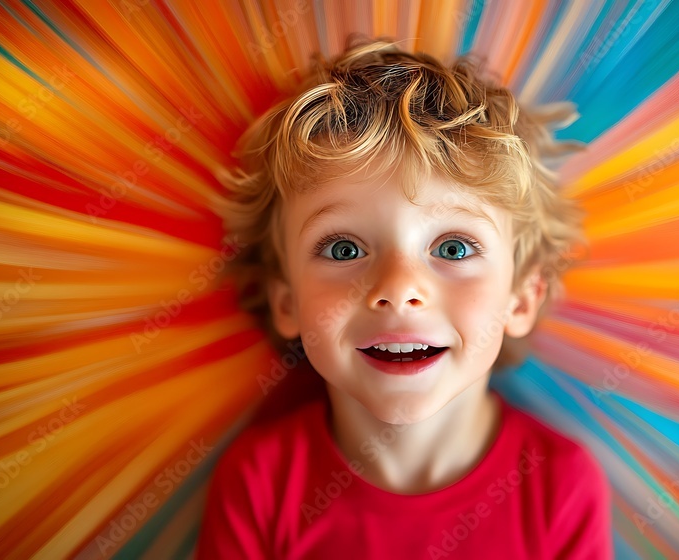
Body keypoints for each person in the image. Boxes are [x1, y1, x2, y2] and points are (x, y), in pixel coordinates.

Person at [197, 36, 612, 559]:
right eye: (344, 249)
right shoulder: (259, 483)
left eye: (453, 248)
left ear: (522, 299)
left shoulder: (561, 487)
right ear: (286, 302)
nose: (397, 288)